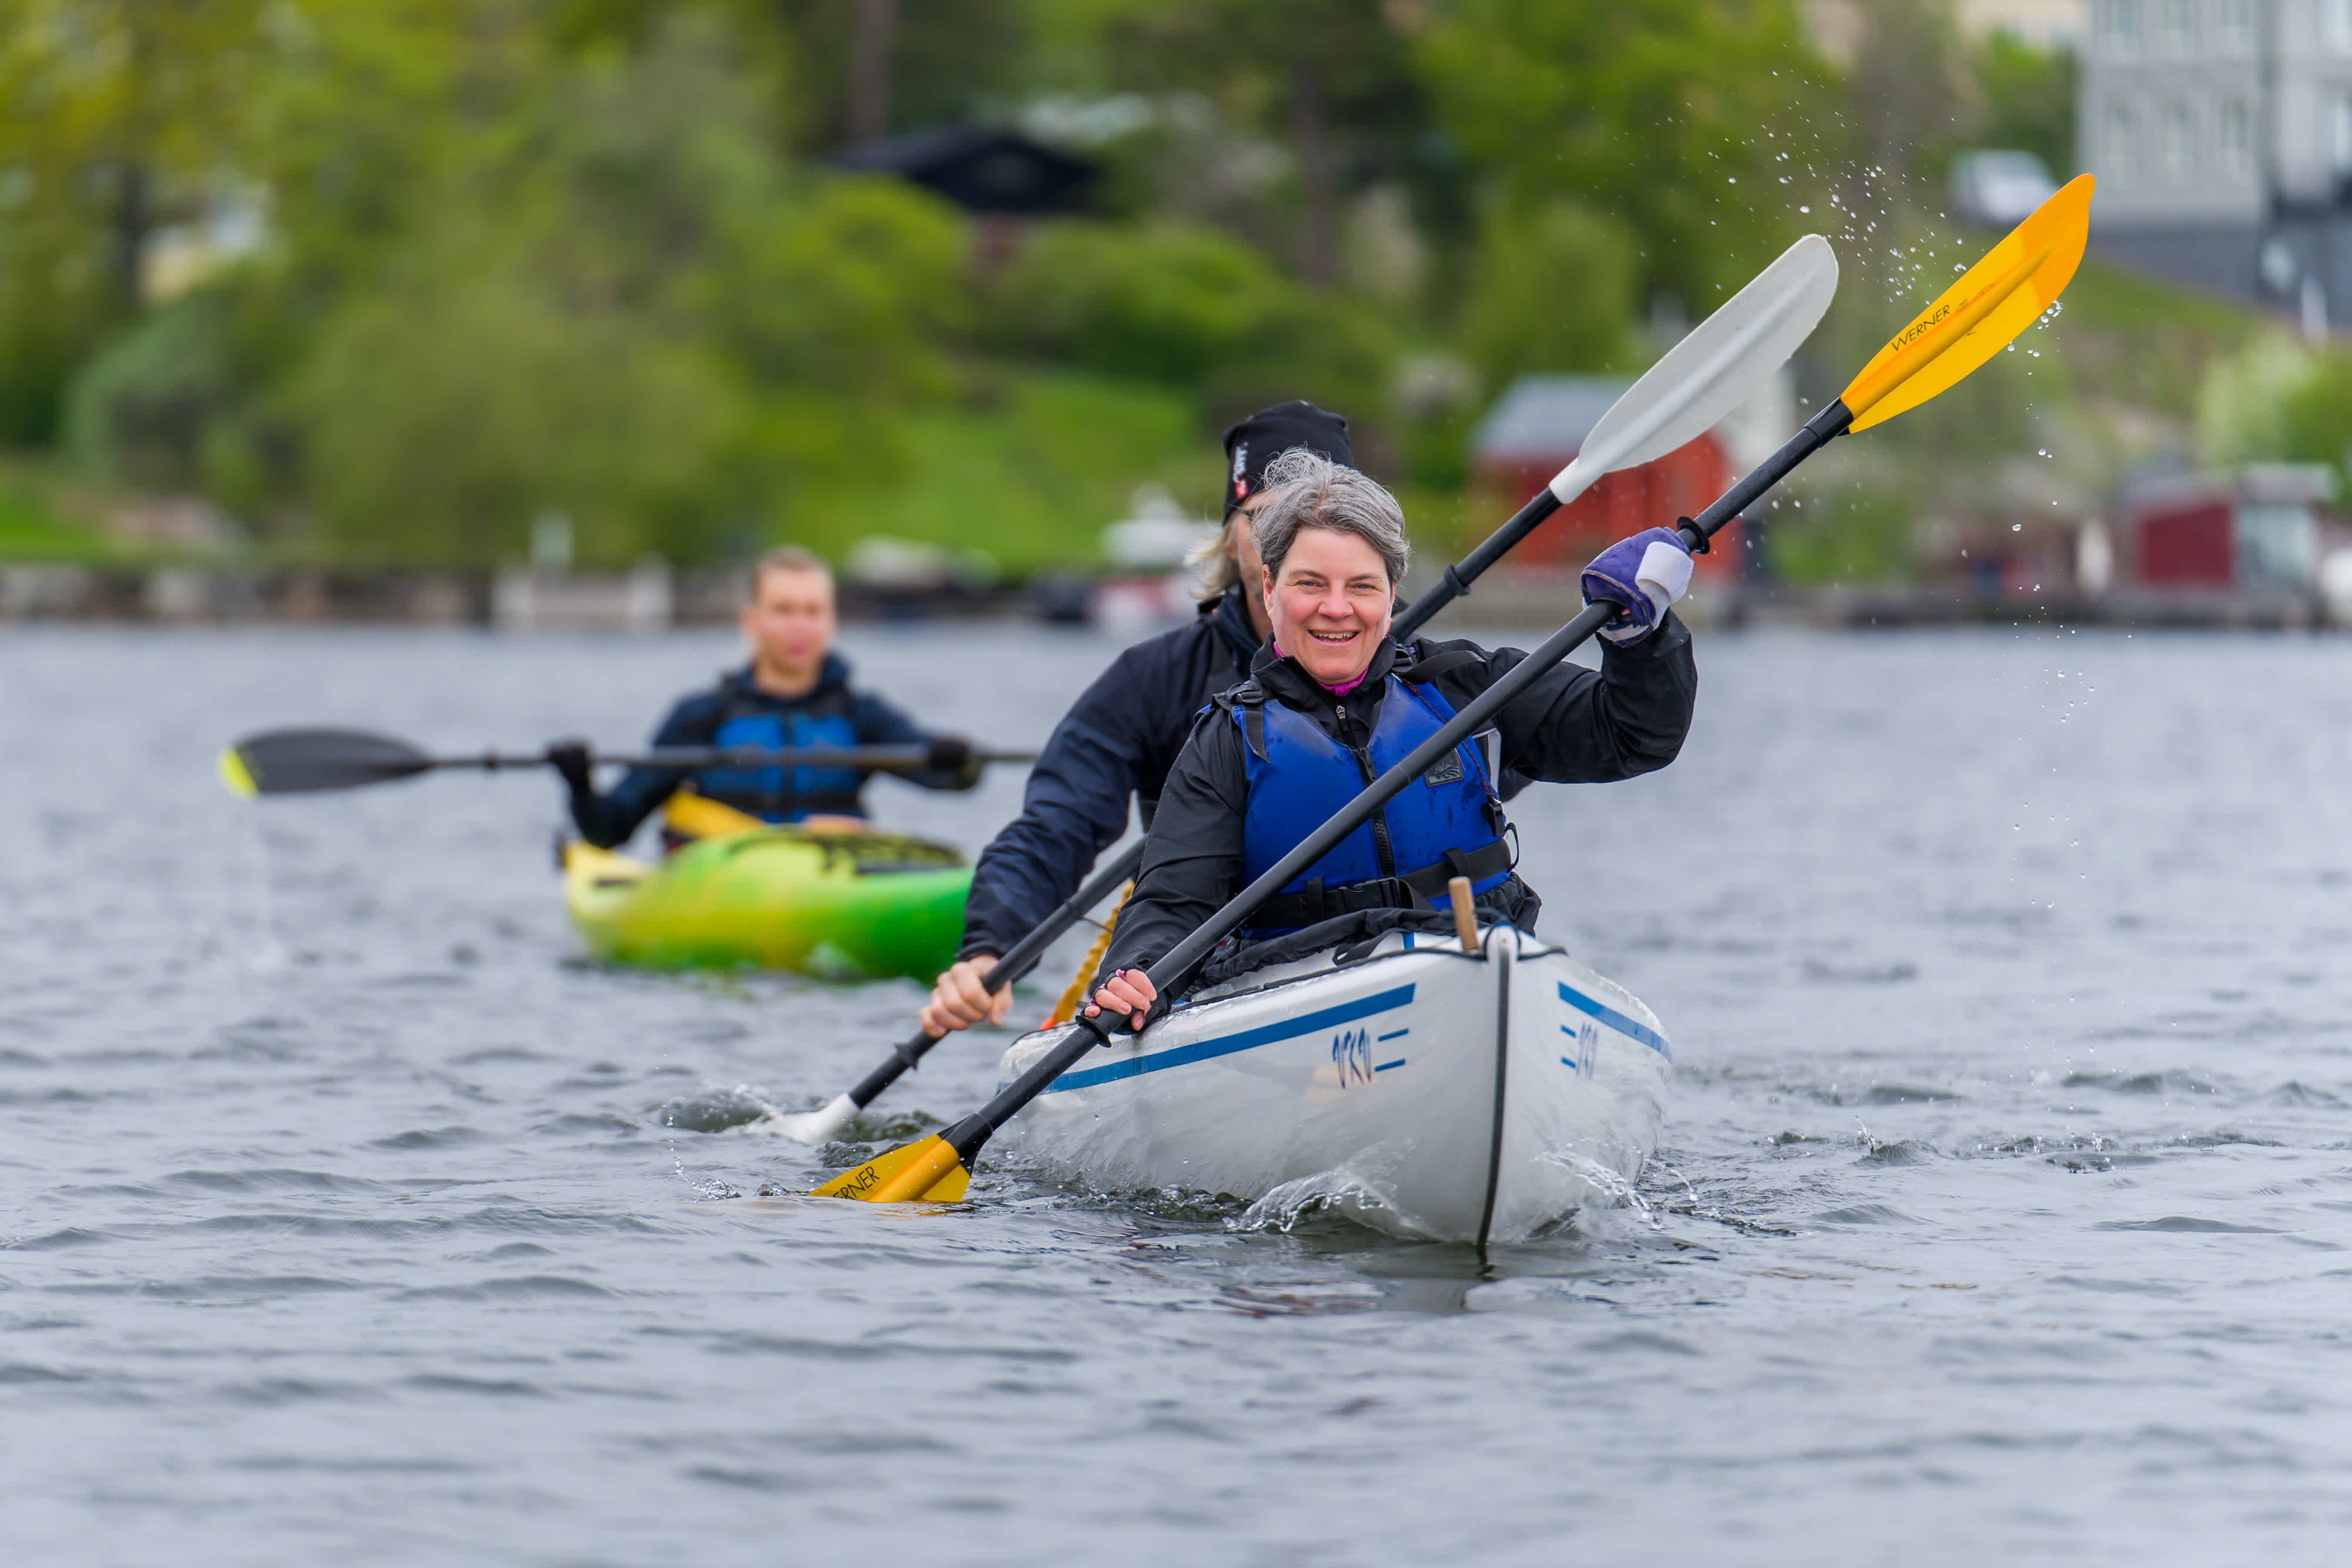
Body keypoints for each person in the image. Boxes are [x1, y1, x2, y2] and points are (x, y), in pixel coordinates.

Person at [1081, 448, 1699, 1032]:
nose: (1336, 608)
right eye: (1310, 584)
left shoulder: (1466, 688)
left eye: (1362, 587)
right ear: (1269, 590)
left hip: (1475, 957)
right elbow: (1170, 906)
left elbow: (1634, 735)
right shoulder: (1228, 740)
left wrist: (1640, 641)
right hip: (1299, 1000)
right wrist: (1135, 975)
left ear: (1391, 594)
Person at [916, 402, 1352, 1038]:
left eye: (1319, 520)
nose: (1287, 544)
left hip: (1380, 948)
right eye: (1265, 520)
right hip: (1202, 967)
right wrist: (990, 948)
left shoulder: (1426, 673)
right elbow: (1055, 825)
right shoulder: (1152, 680)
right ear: (1232, 535)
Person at [551, 546, 980, 847]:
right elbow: (611, 829)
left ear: (830, 621)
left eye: (812, 612)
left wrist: (957, 764)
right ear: (752, 621)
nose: (799, 626)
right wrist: (580, 787)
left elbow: (948, 779)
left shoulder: (861, 715)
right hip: (720, 885)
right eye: (784, 610)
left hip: (827, 877)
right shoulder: (702, 717)